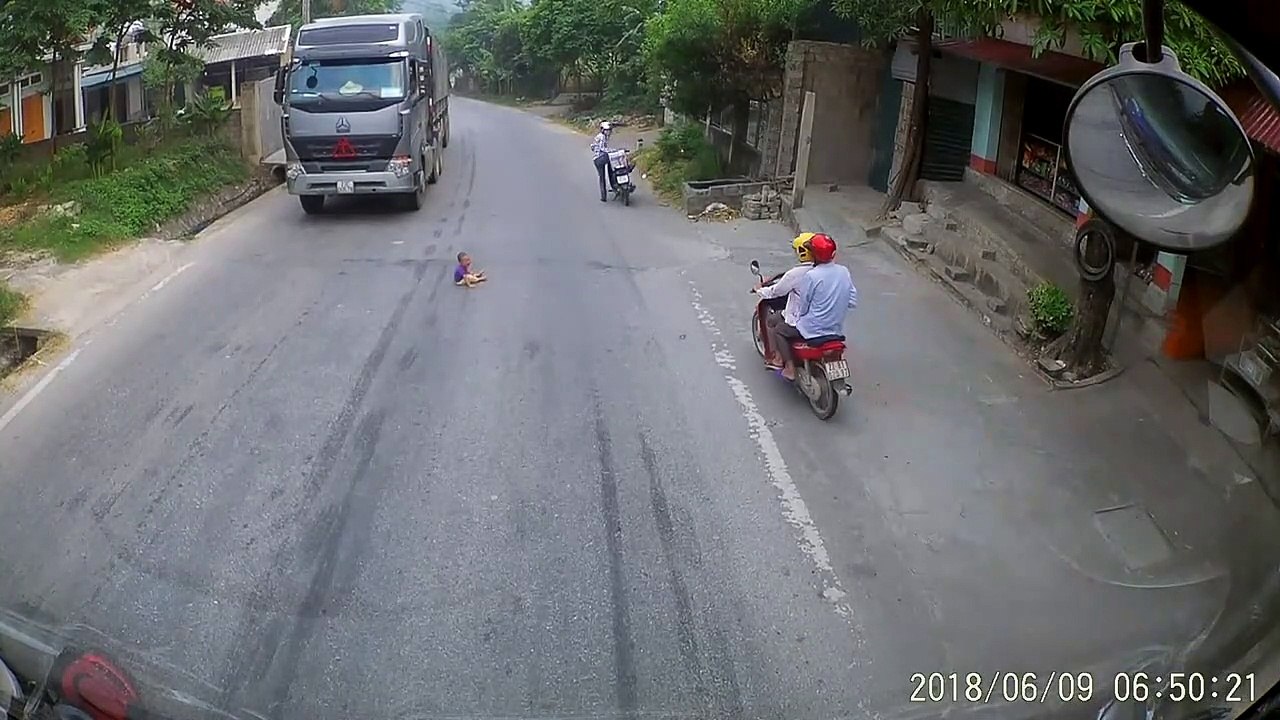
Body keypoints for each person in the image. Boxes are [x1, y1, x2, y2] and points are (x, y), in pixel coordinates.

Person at [770, 233, 857, 381]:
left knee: (779, 330)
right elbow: (852, 301)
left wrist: (800, 318)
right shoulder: (844, 271)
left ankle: (789, 368)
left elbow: (804, 305)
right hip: (835, 328)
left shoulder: (812, 276)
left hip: (812, 330)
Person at [754, 233, 817, 370]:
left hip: (804, 322)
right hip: (827, 322)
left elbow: (776, 291)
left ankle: (784, 363)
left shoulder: (795, 274)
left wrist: (759, 290)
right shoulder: (830, 271)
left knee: (775, 326)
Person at [591, 121, 617, 202]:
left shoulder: (600, 136)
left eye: (609, 130)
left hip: (596, 159)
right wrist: (613, 150)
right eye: (607, 130)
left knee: (601, 177)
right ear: (602, 130)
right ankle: (614, 185)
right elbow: (603, 149)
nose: (608, 132)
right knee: (612, 165)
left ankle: (603, 196)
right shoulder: (602, 137)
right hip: (600, 158)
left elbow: (592, 146)